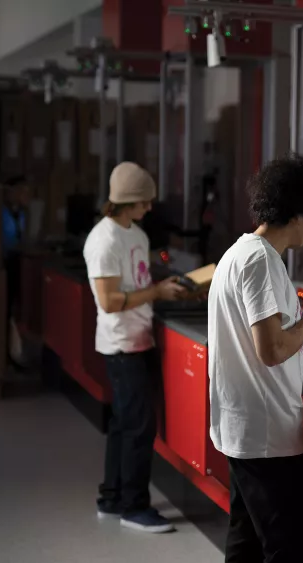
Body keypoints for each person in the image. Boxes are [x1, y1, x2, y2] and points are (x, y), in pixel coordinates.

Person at [208, 154, 303, 563]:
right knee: (290, 557)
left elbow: (264, 339)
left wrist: (301, 327)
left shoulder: (238, 253)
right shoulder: (262, 262)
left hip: (242, 428)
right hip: (268, 437)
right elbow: (271, 350)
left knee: (247, 545)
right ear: (298, 212)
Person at [83, 162, 185, 533]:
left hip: (140, 339)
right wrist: (156, 292)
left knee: (125, 425)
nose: (150, 207)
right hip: (121, 344)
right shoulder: (103, 241)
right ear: (129, 201)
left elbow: (137, 281)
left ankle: (111, 498)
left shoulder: (136, 236)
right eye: (145, 201)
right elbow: (109, 301)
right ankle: (134, 507)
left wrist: (162, 285)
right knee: (139, 426)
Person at [2, 176, 31, 367]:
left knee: (15, 308)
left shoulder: (21, 214)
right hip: (3, 264)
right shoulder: (0, 213)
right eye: (21, 191)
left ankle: (14, 352)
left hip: (17, 262)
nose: (25, 196)